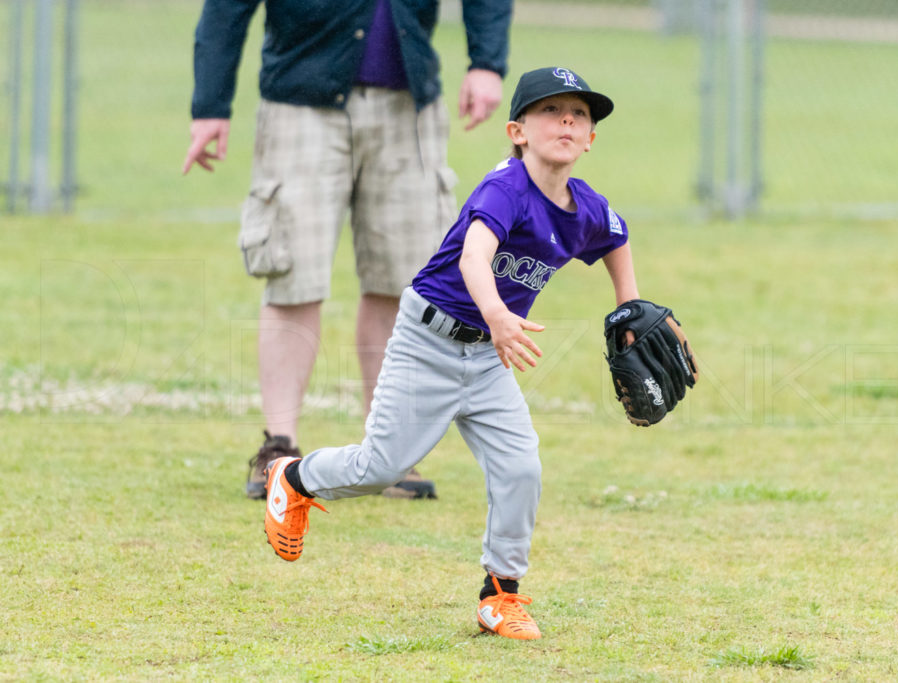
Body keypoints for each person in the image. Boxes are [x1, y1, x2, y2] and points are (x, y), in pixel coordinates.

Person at [261, 66, 638, 640]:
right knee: (379, 467)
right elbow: (473, 258)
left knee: (521, 468)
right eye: (551, 111)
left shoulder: (585, 205)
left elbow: (615, 238)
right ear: (517, 130)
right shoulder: (505, 189)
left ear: (591, 138)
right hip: (429, 343)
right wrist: (497, 316)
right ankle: (295, 477)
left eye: (580, 115)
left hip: (489, 357)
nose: (567, 120)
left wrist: (628, 309)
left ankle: (500, 595)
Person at [181, 0, 512, 500]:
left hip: (408, 105)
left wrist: (486, 62)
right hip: (300, 101)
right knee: (292, 275)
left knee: (403, 284)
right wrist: (210, 103)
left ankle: (386, 453)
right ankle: (280, 446)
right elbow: (227, 8)